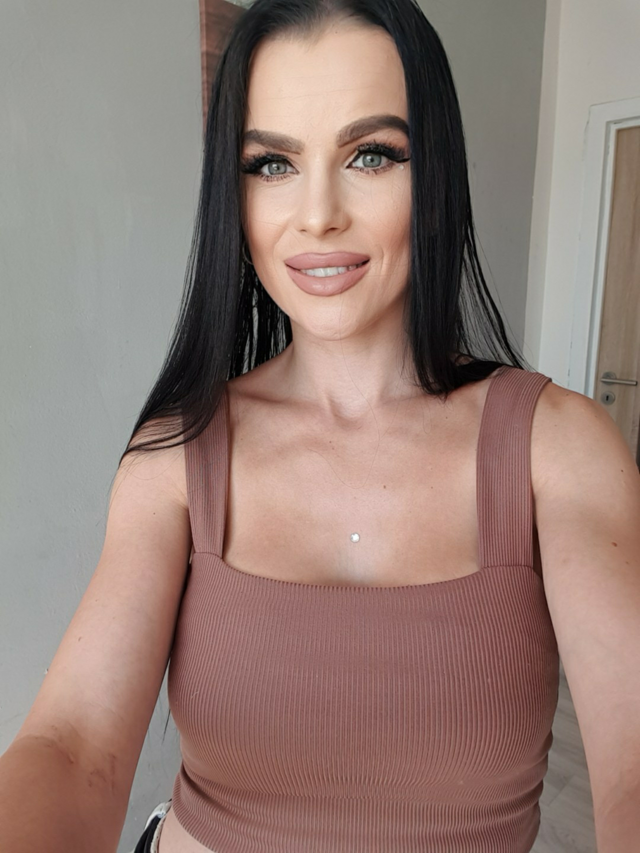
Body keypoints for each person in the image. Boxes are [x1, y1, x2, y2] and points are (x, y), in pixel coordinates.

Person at [2, 1, 639, 852]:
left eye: (370, 154)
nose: (317, 214)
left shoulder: (557, 448)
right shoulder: (176, 454)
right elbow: (74, 744)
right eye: (272, 164)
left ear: (435, 175)